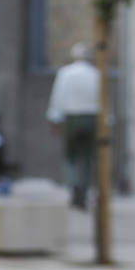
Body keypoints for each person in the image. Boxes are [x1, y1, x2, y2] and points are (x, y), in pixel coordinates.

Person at [47, 41, 100, 209]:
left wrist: (55, 119)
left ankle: (74, 186)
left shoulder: (66, 73)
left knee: (71, 156)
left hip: (72, 117)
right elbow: (103, 99)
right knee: (87, 157)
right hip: (91, 118)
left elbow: (58, 97)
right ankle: (82, 190)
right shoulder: (96, 74)